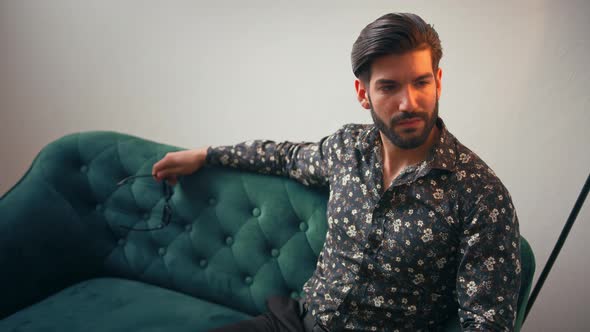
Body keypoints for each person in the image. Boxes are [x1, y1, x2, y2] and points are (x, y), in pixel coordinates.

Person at [152, 12, 521, 332]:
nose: (409, 102)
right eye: (389, 87)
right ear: (363, 94)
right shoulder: (348, 148)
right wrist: (207, 155)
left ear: (438, 81)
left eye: (421, 83)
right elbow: (286, 157)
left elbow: (487, 322)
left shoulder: (480, 195)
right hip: (298, 322)